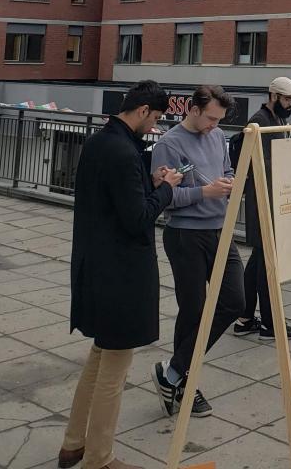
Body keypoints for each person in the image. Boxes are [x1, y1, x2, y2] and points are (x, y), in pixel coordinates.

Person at [61, 81, 182, 469]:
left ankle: (73, 443)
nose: (154, 126)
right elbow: (138, 218)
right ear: (143, 110)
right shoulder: (124, 151)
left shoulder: (100, 142)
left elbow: (114, 200)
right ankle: (99, 458)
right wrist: (167, 190)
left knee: (99, 358)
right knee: (114, 370)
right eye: (155, 117)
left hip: (95, 268)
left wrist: (151, 182)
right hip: (121, 276)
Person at [150, 84, 245, 418]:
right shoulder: (169, 144)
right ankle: (183, 383)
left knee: (235, 301)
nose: (214, 125)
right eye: (210, 118)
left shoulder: (217, 136)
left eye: (219, 120)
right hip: (185, 235)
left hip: (220, 230)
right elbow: (164, 198)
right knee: (193, 310)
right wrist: (205, 192)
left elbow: (227, 170)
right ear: (193, 109)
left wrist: (229, 183)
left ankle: (173, 372)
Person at [232, 76, 291, 341]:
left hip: (270, 197)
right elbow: (263, 164)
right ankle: (270, 324)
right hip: (264, 199)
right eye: (287, 99)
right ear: (273, 96)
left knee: (259, 260)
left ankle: (244, 318)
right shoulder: (260, 121)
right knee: (266, 264)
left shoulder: (274, 120)